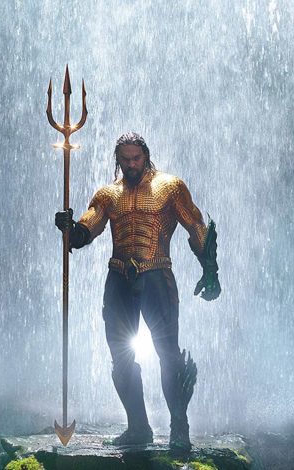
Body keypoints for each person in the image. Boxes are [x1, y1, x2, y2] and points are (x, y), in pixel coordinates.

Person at [54, 132, 220, 450]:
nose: (131, 165)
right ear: (117, 160)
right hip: (118, 279)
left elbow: (196, 226)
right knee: (120, 358)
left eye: (136, 159)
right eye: (125, 160)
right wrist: (69, 228)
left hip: (157, 277)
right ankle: (138, 428)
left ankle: (179, 427)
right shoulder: (108, 195)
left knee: (168, 355)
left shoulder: (170, 187)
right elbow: (87, 229)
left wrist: (210, 270)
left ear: (146, 156)